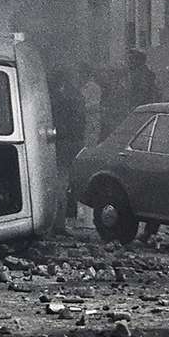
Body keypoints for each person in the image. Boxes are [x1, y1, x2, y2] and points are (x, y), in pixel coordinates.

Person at [49, 68, 86, 235]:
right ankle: (59, 223)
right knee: (62, 185)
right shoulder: (72, 97)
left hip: (57, 144)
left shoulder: (53, 99)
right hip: (68, 144)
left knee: (58, 184)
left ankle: (57, 223)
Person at [78, 63, 102, 150]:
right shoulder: (83, 87)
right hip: (86, 118)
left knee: (91, 143)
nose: (79, 76)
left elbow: (94, 104)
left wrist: (82, 108)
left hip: (92, 118)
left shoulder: (93, 87)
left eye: (81, 73)